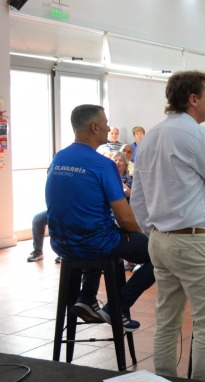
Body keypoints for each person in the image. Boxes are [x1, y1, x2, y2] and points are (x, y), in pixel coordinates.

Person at [131, 70, 205, 381]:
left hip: (160, 240)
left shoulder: (151, 135)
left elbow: (138, 195)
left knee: (167, 319)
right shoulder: (194, 134)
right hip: (191, 240)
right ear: (193, 99)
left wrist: (153, 231)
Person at [47, 104, 154, 331]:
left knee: (103, 237)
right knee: (160, 255)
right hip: (97, 243)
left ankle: (87, 298)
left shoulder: (58, 158)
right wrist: (140, 235)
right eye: (105, 123)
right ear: (95, 127)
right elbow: (125, 218)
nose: (108, 128)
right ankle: (116, 307)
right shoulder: (103, 165)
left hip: (61, 244)